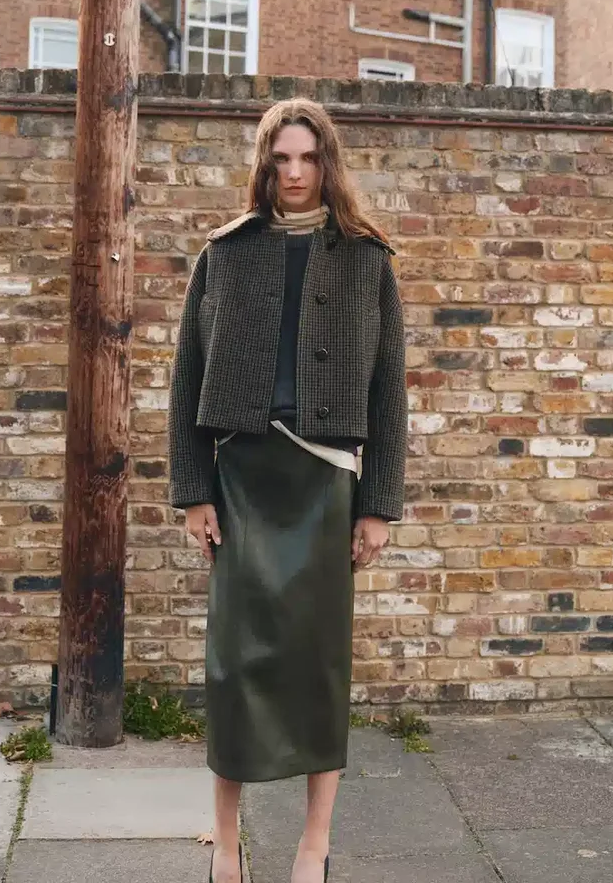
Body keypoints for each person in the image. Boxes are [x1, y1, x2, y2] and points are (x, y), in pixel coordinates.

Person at [168, 98, 408, 883]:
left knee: (318, 666)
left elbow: (390, 391)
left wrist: (378, 504)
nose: (296, 173)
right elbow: (186, 380)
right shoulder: (225, 253)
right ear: (264, 165)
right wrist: (194, 490)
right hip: (241, 480)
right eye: (282, 159)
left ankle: (314, 844)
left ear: (327, 162)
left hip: (326, 481)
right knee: (234, 667)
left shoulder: (367, 259)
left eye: (308, 158)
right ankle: (225, 845)